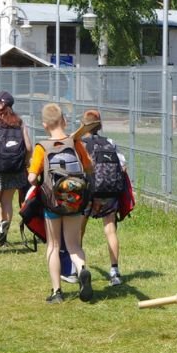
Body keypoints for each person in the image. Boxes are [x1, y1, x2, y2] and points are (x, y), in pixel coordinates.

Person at [28, 103, 96, 303]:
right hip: (75, 201)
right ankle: (82, 270)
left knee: (53, 245)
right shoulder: (75, 143)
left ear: (44, 125)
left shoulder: (42, 148)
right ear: (64, 121)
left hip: (52, 203)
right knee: (74, 245)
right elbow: (89, 166)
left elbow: (32, 178)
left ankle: (57, 292)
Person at [79, 108, 125, 286]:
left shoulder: (81, 143)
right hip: (109, 191)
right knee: (110, 230)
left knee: (79, 229)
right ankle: (114, 271)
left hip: (89, 191)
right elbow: (123, 165)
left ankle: (79, 268)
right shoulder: (110, 142)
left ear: (84, 125)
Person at [0, 91, 32, 246]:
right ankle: (3, 238)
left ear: (3, 104)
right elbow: (29, 147)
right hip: (16, 166)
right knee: (7, 201)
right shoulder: (19, 121)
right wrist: (25, 163)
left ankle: (0, 224)